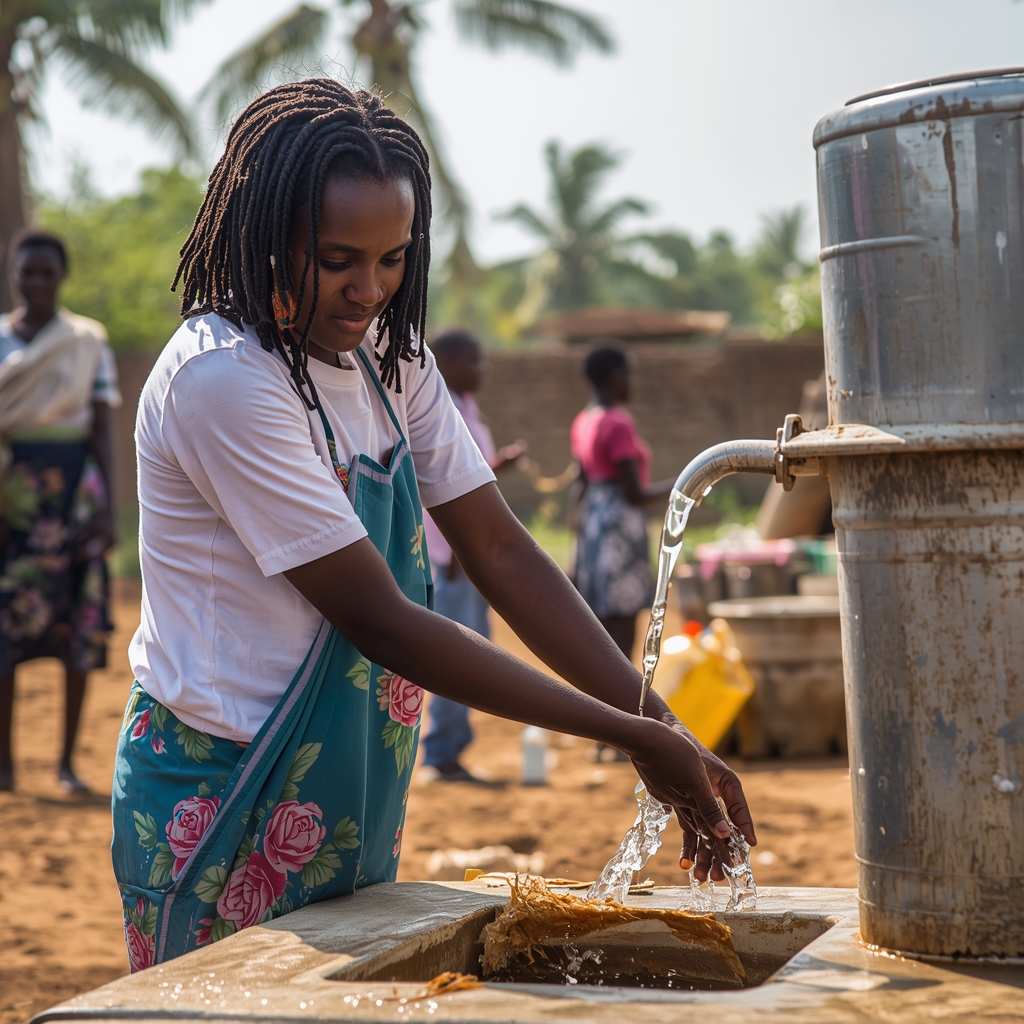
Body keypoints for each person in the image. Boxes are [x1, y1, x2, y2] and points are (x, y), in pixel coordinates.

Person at [111, 80, 755, 970]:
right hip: (223, 787)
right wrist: (633, 736)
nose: (368, 289)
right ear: (268, 235)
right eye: (337, 258)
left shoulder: (390, 360)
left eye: (393, 259)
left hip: (351, 778)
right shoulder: (224, 381)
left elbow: (497, 548)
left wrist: (661, 720)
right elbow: (379, 619)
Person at [0, 230, 119, 793]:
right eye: (28, 272)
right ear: (13, 275)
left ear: (61, 277)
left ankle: (67, 764)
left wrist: (106, 512)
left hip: (75, 494)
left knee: (77, 627)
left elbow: (101, 426)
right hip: (10, 495)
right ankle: (5, 765)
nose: (37, 282)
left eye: (47, 273)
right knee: (5, 629)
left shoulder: (87, 342)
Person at [420, 328, 525, 781]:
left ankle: (449, 749)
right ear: (447, 363)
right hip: (453, 558)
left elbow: (468, 476)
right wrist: (461, 557)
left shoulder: (465, 410)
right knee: (458, 657)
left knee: (471, 649)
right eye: (474, 361)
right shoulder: (445, 414)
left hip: (465, 557)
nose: (482, 370)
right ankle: (441, 753)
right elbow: (444, 490)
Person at [570, 346, 677, 761]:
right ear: (614, 377)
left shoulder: (585, 420)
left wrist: (579, 547)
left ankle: (604, 733)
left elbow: (579, 485)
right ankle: (621, 732)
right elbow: (635, 492)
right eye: (628, 375)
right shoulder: (617, 422)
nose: (632, 383)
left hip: (595, 526)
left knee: (601, 628)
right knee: (622, 632)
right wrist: (686, 483)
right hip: (619, 526)